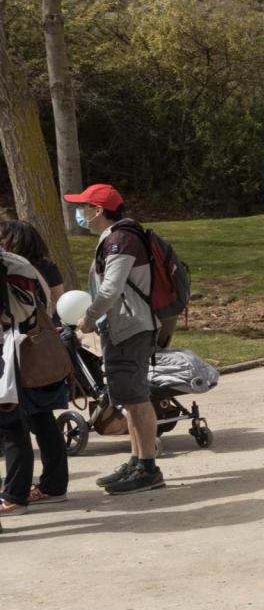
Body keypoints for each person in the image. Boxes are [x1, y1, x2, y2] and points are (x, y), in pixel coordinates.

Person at [65, 184, 165, 496]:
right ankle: (137, 461)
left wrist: (90, 317)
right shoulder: (114, 238)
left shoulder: (121, 239)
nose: (80, 213)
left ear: (98, 210)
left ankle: (148, 467)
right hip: (122, 328)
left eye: (84, 207)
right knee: (129, 398)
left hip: (130, 329)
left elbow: (111, 288)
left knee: (135, 398)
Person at [0, 221, 69, 515]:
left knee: (15, 424)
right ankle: (54, 485)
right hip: (40, 346)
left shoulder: (12, 268)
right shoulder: (44, 268)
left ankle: (16, 493)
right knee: (42, 420)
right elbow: (56, 304)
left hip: (18, 351)